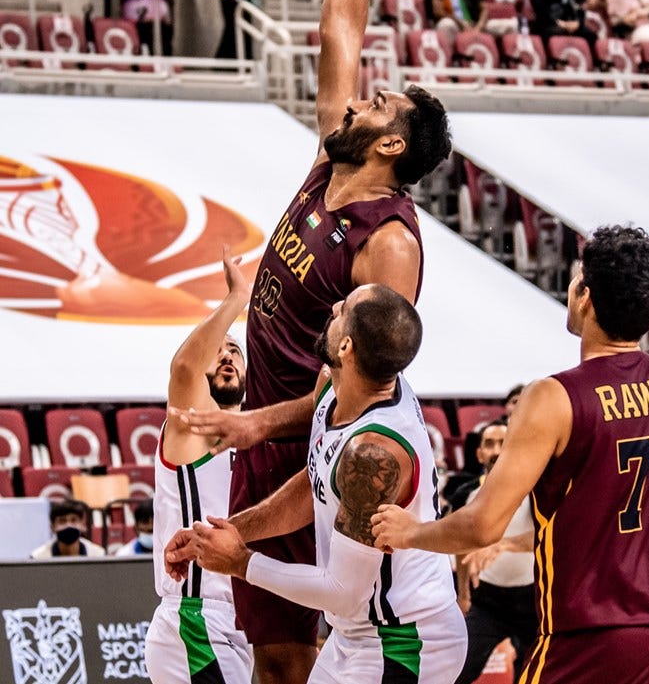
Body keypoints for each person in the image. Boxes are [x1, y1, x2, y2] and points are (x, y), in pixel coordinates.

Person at [171, 0, 452, 684]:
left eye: (376, 102)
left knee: (293, 656)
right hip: (260, 424)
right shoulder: (334, 159)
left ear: (393, 142)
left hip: (308, 448)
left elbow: (361, 381)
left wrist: (264, 422)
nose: (358, 97)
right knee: (271, 649)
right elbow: (340, 26)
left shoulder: (388, 240)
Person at [372, 225, 649, 684]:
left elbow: (483, 524)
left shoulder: (554, 396)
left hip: (586, 637)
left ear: (585, 296)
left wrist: (412, 532)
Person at [166, 284, 468, 684]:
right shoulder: (335, 385)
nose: (335, 304)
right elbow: (314, 485)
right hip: (356, 633)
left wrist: (240, 562)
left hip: (405, 640)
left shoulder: (373, 454)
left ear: (346, 347)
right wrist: (224, 532)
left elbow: (343, 590)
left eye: (345, 308)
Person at [144, 250, 253, 684]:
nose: (227, 357)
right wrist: (235, 300)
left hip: (243, 622)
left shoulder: (257, 442)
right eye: (220, 351)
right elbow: (187, 366)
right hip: (195, 619)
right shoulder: (193, 428)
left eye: (236, 353)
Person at [453, 423, 537, 684]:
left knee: (533, 675)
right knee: (458, 670)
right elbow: (460, 546)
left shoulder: (534, 491)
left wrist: (503, 545)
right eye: (489, 443)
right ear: (478, 453)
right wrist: (463, 593)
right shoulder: (466, 495)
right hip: (487, 601)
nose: (496, 450)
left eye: (503, 442)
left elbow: (543, 536)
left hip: (532, 599)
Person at [31, 499, 104, 558]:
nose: (68, 525)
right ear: (52, 527)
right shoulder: (38, 558)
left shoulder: (98, 555)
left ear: (83, 525)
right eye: (62, 521)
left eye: (73, 520)